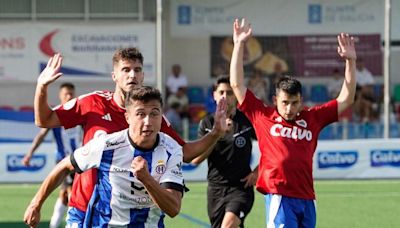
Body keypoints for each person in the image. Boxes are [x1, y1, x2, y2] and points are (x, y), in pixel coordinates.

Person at [33, 48, 226, 226]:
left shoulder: (153, 117)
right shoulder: (93, 102)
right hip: (84, 205)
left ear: (143, 75)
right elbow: (44, 120)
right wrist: (41, 87)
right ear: (114, 76)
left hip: (129, 212)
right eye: (126, 69)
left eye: (137, 70)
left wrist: (215, 133)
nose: (132, 75)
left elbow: (184, 152)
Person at [230, 18, 357, 227]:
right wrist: (239, 45)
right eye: (285, 103)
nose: (289, 108)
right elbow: (236, 83)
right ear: (275, 101)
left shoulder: (312, 117)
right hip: (279, 196)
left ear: (301, 101)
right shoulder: (263, 116)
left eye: (294, 103)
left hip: (307, 197)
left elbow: (346, 99)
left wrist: (350, 62)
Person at [24, 86, 184, 227]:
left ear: (161, 116)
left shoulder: (172, 150)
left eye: (154, 114)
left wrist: (146, 179)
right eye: (140, 114)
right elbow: (65, 165)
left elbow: (173, 208)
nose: (148, 121)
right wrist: (35, 204)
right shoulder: (107, 145)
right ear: (127, 117)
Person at [192, 75, 258, 228]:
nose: (225, 97)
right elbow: (196, 159)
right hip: (215, 189)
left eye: (229, 93)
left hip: (241, 188)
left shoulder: (247, 120)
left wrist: (257, 172)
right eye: (221, 92)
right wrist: (217, 135)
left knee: (227, 226)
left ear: (236, 96)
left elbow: (271, 146)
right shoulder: (207, 123)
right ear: (214, 95)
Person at [22, 82, 82, 228]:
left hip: (80, 159)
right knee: (71, 193)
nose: (69, 96)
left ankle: (54, 225)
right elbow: (41, 135)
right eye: (65, 94)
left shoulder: (80, 112)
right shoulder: (55, 114)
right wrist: (30, 154)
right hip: (63, 161)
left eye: (71, 94)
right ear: (60, 96)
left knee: (65, 196)